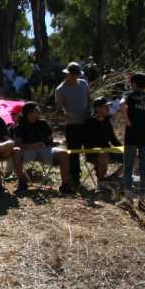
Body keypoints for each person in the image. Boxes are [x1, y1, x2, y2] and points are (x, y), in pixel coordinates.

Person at [13, 101, 76, 195]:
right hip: (27, 150)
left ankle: (65, 185)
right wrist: (32, 145)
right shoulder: (20, 126)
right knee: (16, 152)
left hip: (44, 149)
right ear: (28, 113)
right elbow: (17, 145)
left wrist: (58, 142)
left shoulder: (43, 123)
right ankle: (22, 183)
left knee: (63, 153)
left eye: (37, 110)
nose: (38, 112)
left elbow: (50, 140)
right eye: (35, 110)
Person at [55, 62, 90, 192]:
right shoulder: (60, 89)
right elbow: (58, 111)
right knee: (74, 153)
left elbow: (89, 99)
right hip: (72, 125)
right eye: (72, 74)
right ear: (67, 74)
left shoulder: (84, 84)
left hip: (86, 123)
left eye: (76, 74)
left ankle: (100, 177)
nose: (75, 76)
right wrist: (66, 116)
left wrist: (90, 111)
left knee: (92, 148)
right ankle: (75, 179)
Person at [121, 73, 145, 194]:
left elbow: (121, 105)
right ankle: (143, 191)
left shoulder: (129, 96)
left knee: (128, 165)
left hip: (131, 134)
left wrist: (126, 120)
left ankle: (128, 191)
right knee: (144, 166)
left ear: (134, 84)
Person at [82, 96, 121, 189]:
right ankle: (101, 182)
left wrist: (124, 149)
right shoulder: (89, 122)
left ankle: (112, 177)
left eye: (108, 106)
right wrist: (99, 149)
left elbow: (113, 140)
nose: (108, 108)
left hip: (108, 151)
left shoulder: (107, 121)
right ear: (97, 108)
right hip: (92, 153)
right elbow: (86, 142)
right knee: (104, 154)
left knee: (133, 157)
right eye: (105, 106)